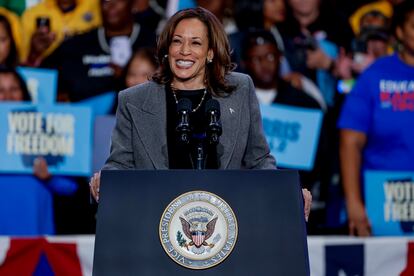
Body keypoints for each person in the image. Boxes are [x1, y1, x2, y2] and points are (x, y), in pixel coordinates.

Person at [89, 7, 312, 220]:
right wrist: (104, 180)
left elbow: (259, 160)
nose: (184, 51)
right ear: (167, 48)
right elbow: (120, 165)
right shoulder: (134, 100)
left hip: (228, 222)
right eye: (177, 41)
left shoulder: (240, 89)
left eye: (195, 43)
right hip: (154, 220)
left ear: (211, 53)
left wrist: (287, 191)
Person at [338, 1, 414, 236]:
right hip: (385, 202)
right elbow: (350, 143)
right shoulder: (375, 77)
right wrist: (353, 203)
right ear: (400, 32)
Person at [0, 67, 78, 235]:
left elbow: (70, 187)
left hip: (35, 234)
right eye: (1, 90)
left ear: (24, 93)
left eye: (14, 89)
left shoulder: (44, 129)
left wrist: (49, 178)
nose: (7, 97)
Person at [41, 0, 156, 103]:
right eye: (106, 1)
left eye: (118, 0)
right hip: (81, 120)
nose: (111, 5)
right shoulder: (76, 44)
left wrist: (124, 76)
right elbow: (40, 77)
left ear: (132, 3)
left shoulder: (154, 43)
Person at [21, 0, 102, 66]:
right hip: (50, 74)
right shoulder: (32, 14)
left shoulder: (95, 5)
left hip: (89, 72)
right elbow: (24, 64)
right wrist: (35, 52)